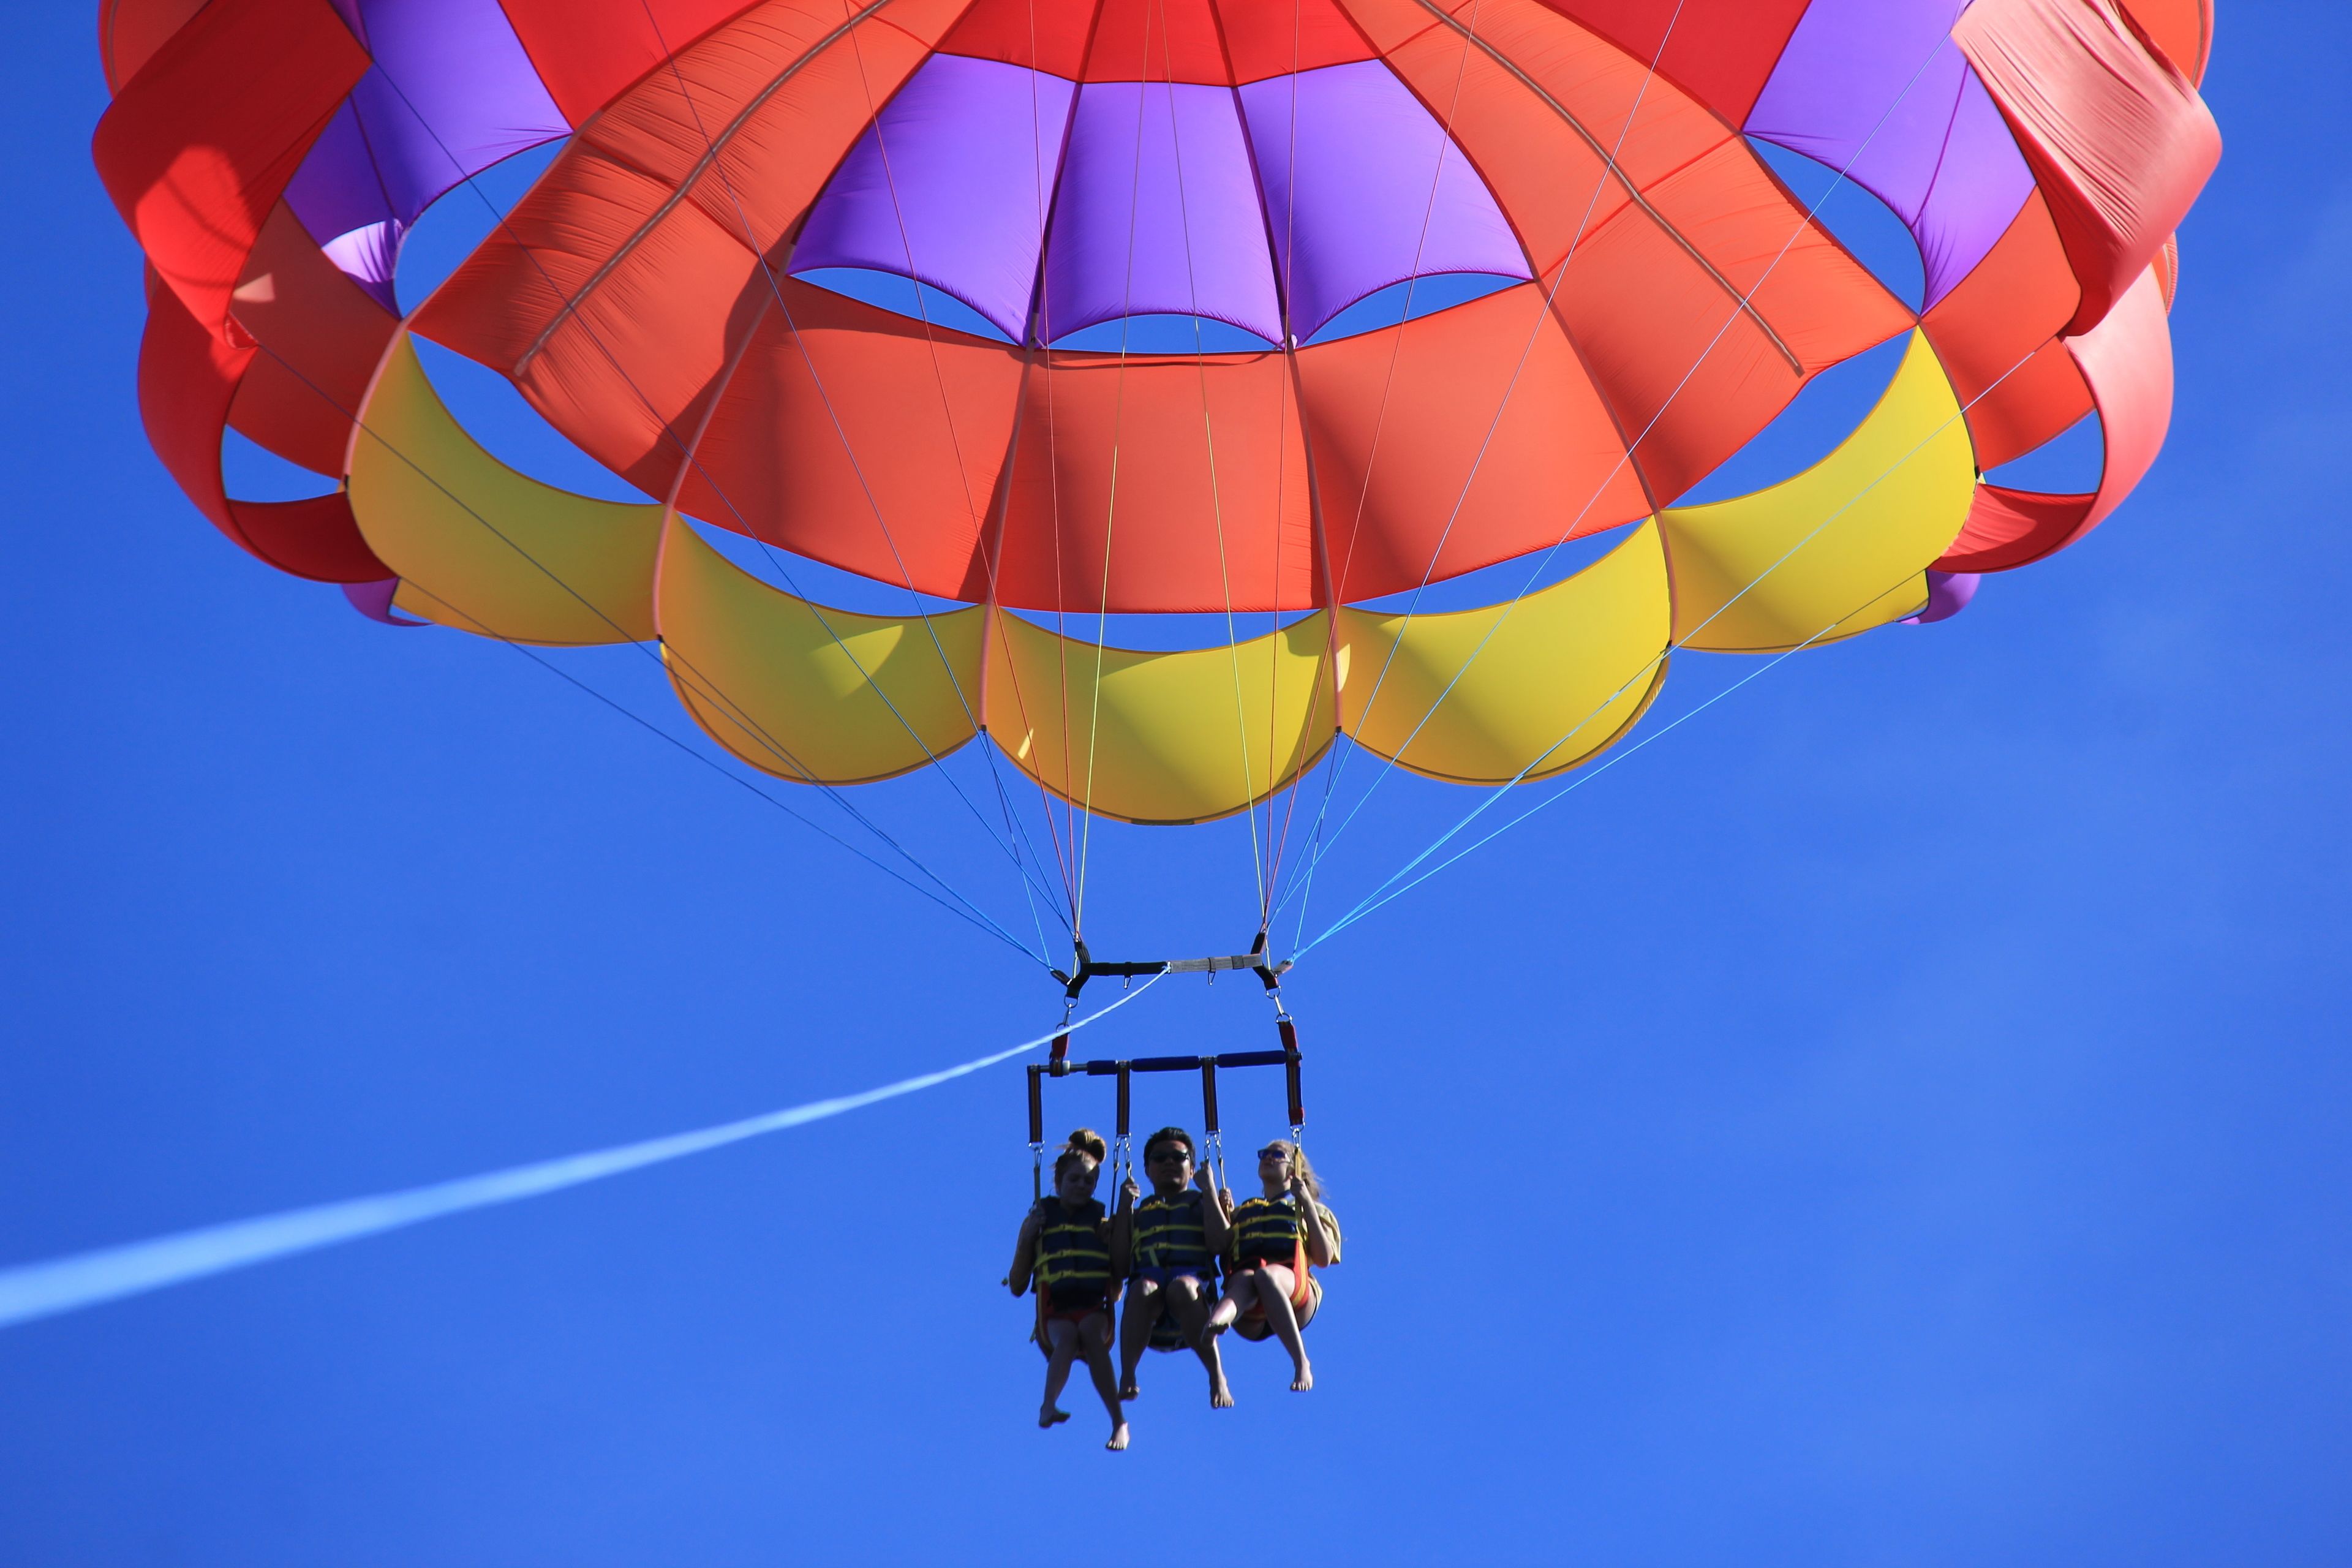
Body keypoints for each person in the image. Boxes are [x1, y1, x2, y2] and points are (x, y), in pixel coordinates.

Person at [1007, 1129, 1129, 1449]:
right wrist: (1029, 1237)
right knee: (1069, 1337)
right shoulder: (1041, 1219)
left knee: (1089, 1332)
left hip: (1094, 1307)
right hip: (1055, 1310)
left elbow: (1116, 1290)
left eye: (1089, 1182)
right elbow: (1017, 1284)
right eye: (1074, 1180)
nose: (1082, 1187)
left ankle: (1119, 1422)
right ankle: (1048, 1405)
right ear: (1058, 1183)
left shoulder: (1101, 1221)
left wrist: (1114, 1235)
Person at [1111, 1126, 1233, 1409]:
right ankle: (1128, 1374)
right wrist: (1123, 1207)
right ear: (1147, 1169)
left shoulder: (1202, 1203)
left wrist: (1210, 1191)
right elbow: (1119, 1267)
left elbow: (1220, 1245)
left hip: (1192, 1300)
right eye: (1160, 1158)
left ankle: (1217, 1376)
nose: (1169, 1162)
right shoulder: (1138, 1213)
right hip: (1148, 1311)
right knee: (1142, 1288)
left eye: (1179, 1157)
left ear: (1192, 1168)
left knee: (1182, 1287)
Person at [1205, 1139, 1338, 1393]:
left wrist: (1307, 1204)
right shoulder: (1244, 1210)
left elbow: (1323, 1259)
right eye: (1264, 1154)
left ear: (1294, 1169)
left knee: (1267, 1276)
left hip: (1295, 1293)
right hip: (1250, 1312)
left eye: (1277, 1154)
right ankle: (1216, 1323)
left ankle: (1302, 1362)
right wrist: (1221, 1209)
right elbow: (1219, 1247)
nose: (1268, 1157)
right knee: (1246, 1277)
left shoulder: (1309, 1209)